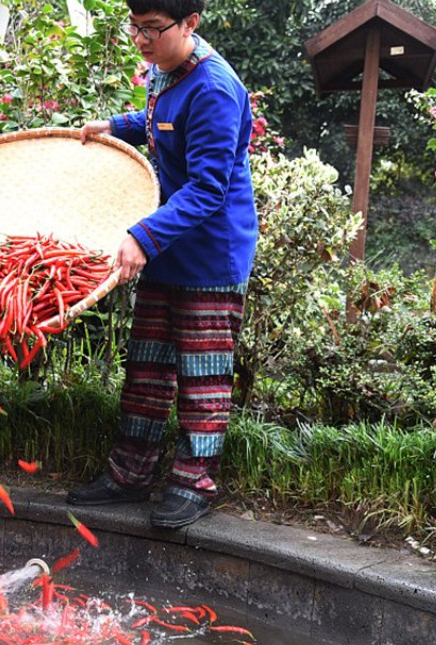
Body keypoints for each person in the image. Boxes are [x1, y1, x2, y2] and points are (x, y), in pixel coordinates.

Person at [65, 0, 258, 527]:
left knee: (202, 374)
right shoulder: (164, 69)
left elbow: (208, 189)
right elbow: (160, 124)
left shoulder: (214, 89)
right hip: (166, 244)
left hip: (210, 253)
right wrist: (113, 126)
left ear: (190, 23)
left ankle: (194, 483)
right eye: (135, 27)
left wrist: (142, 236)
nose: (141, 40)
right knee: (147, 368)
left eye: (152, 29)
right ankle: (130, 474)